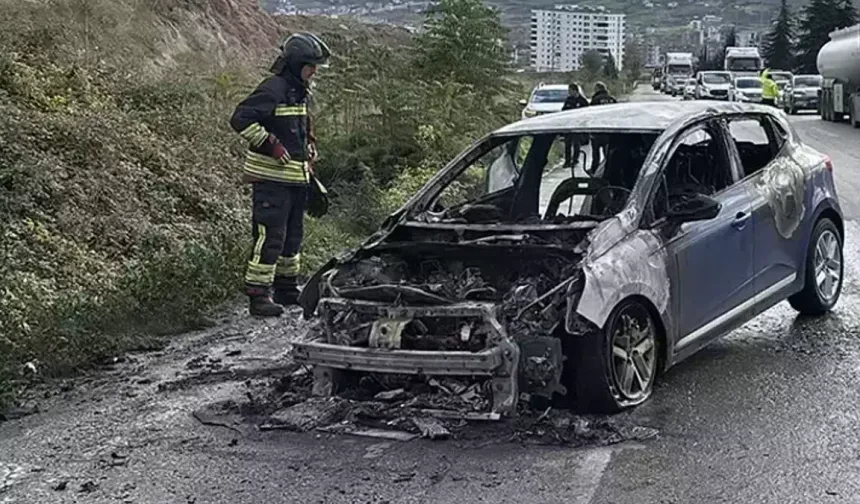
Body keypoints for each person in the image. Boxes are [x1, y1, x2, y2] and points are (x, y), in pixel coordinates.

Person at [230, 32, 331, 317]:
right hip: (271, 181)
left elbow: (298, 128)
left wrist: (309, 147)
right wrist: (270, 144)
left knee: (292, 237)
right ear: (297, 64)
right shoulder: (273, 88)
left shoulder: (299, 92)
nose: (314, 71)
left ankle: (286, 288)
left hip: (296, 180)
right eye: (311, 66)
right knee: (270, 236)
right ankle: (259, 296)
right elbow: (240, 119)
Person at [588, 82, 617, 173]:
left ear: (597, 89)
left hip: (598, 130)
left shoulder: (595, 99)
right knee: (608, 154)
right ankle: (608, 170)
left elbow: (591, 114)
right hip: (609, 131)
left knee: (595, 154)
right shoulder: (612, 99)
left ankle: (595, 170)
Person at [561, 83, 589, 171]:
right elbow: (564, 110)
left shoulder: (583, 101)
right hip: (569, 125)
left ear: (575, 91)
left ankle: (575, 160)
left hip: (578, 125)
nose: (569, 92)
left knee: (576, 144)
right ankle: (567, 161)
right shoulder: (568, 100)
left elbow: (587, 113)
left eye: (570, 91)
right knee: (568, 144)